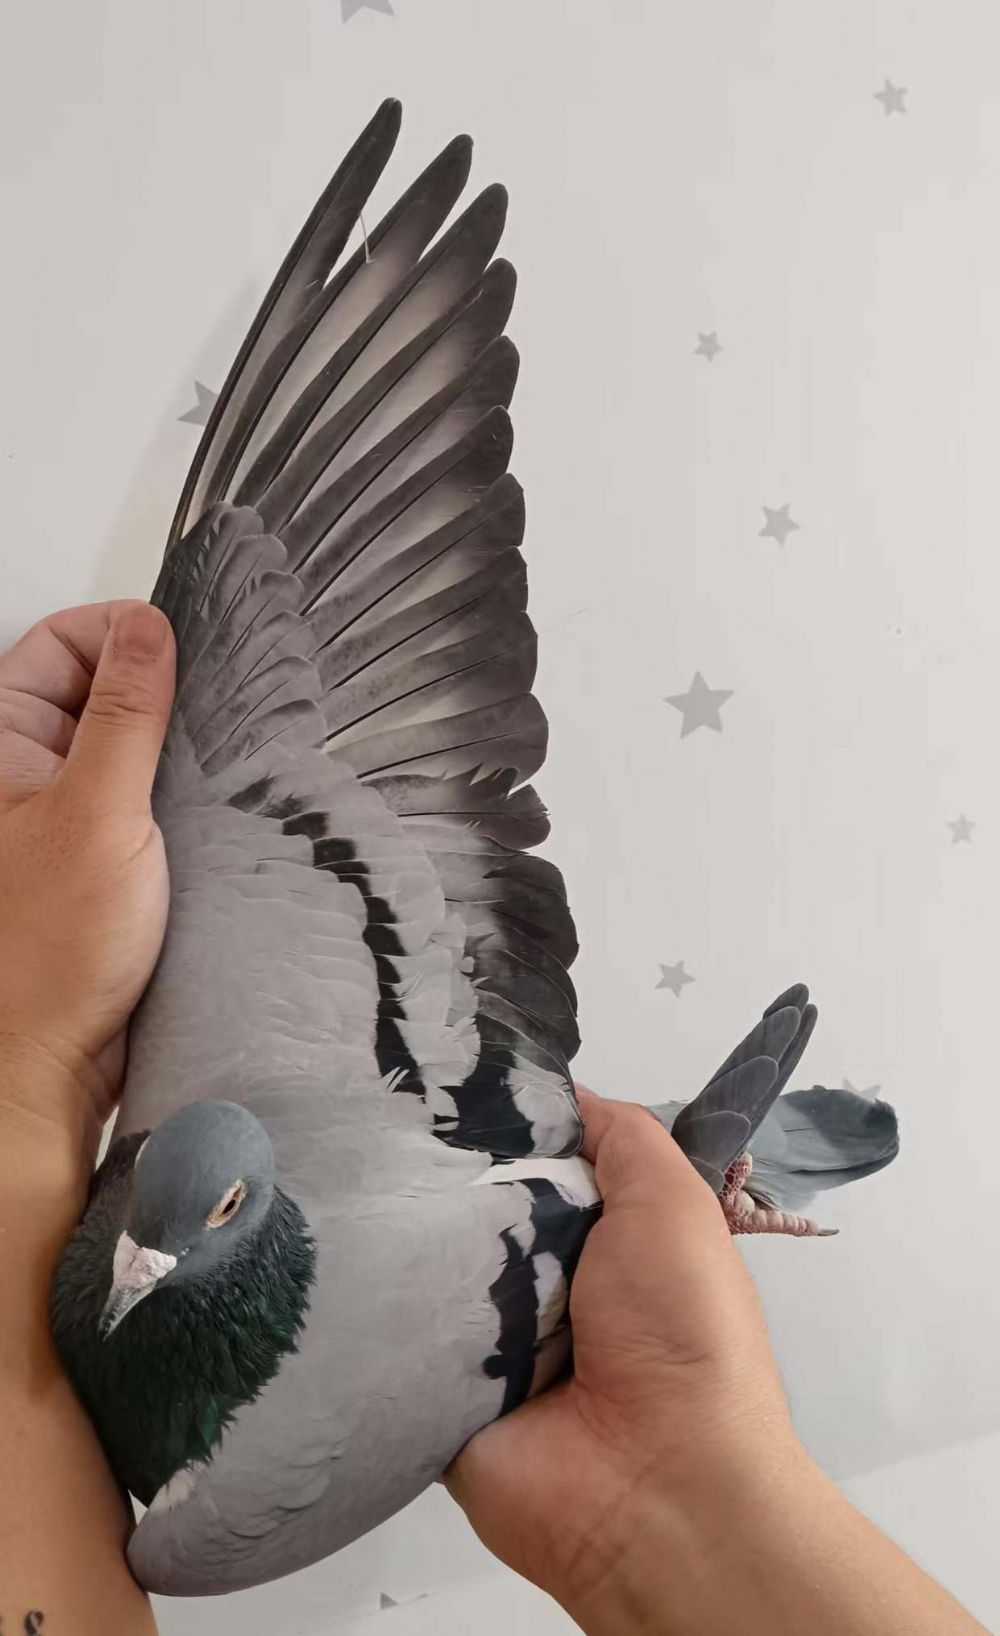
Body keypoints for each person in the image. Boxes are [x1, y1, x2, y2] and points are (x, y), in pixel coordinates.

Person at [0, 601, 988, 1636]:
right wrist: (29, 1058)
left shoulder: (213, 1498)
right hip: (535, 1214)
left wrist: (34, 1056)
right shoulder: (212, 1499)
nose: (136, 1268)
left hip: (535, 1215)